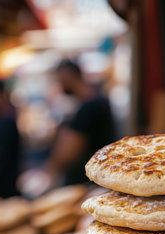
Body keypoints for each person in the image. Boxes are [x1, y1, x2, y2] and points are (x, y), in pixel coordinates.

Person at [43, 59, 116, 188]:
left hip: (86, 183)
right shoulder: (96, 100)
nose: (59, 85)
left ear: (68, 76)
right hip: (96, 179)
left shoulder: (90, 107)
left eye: (59, 80)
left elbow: (70, 151)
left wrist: (51, 170)